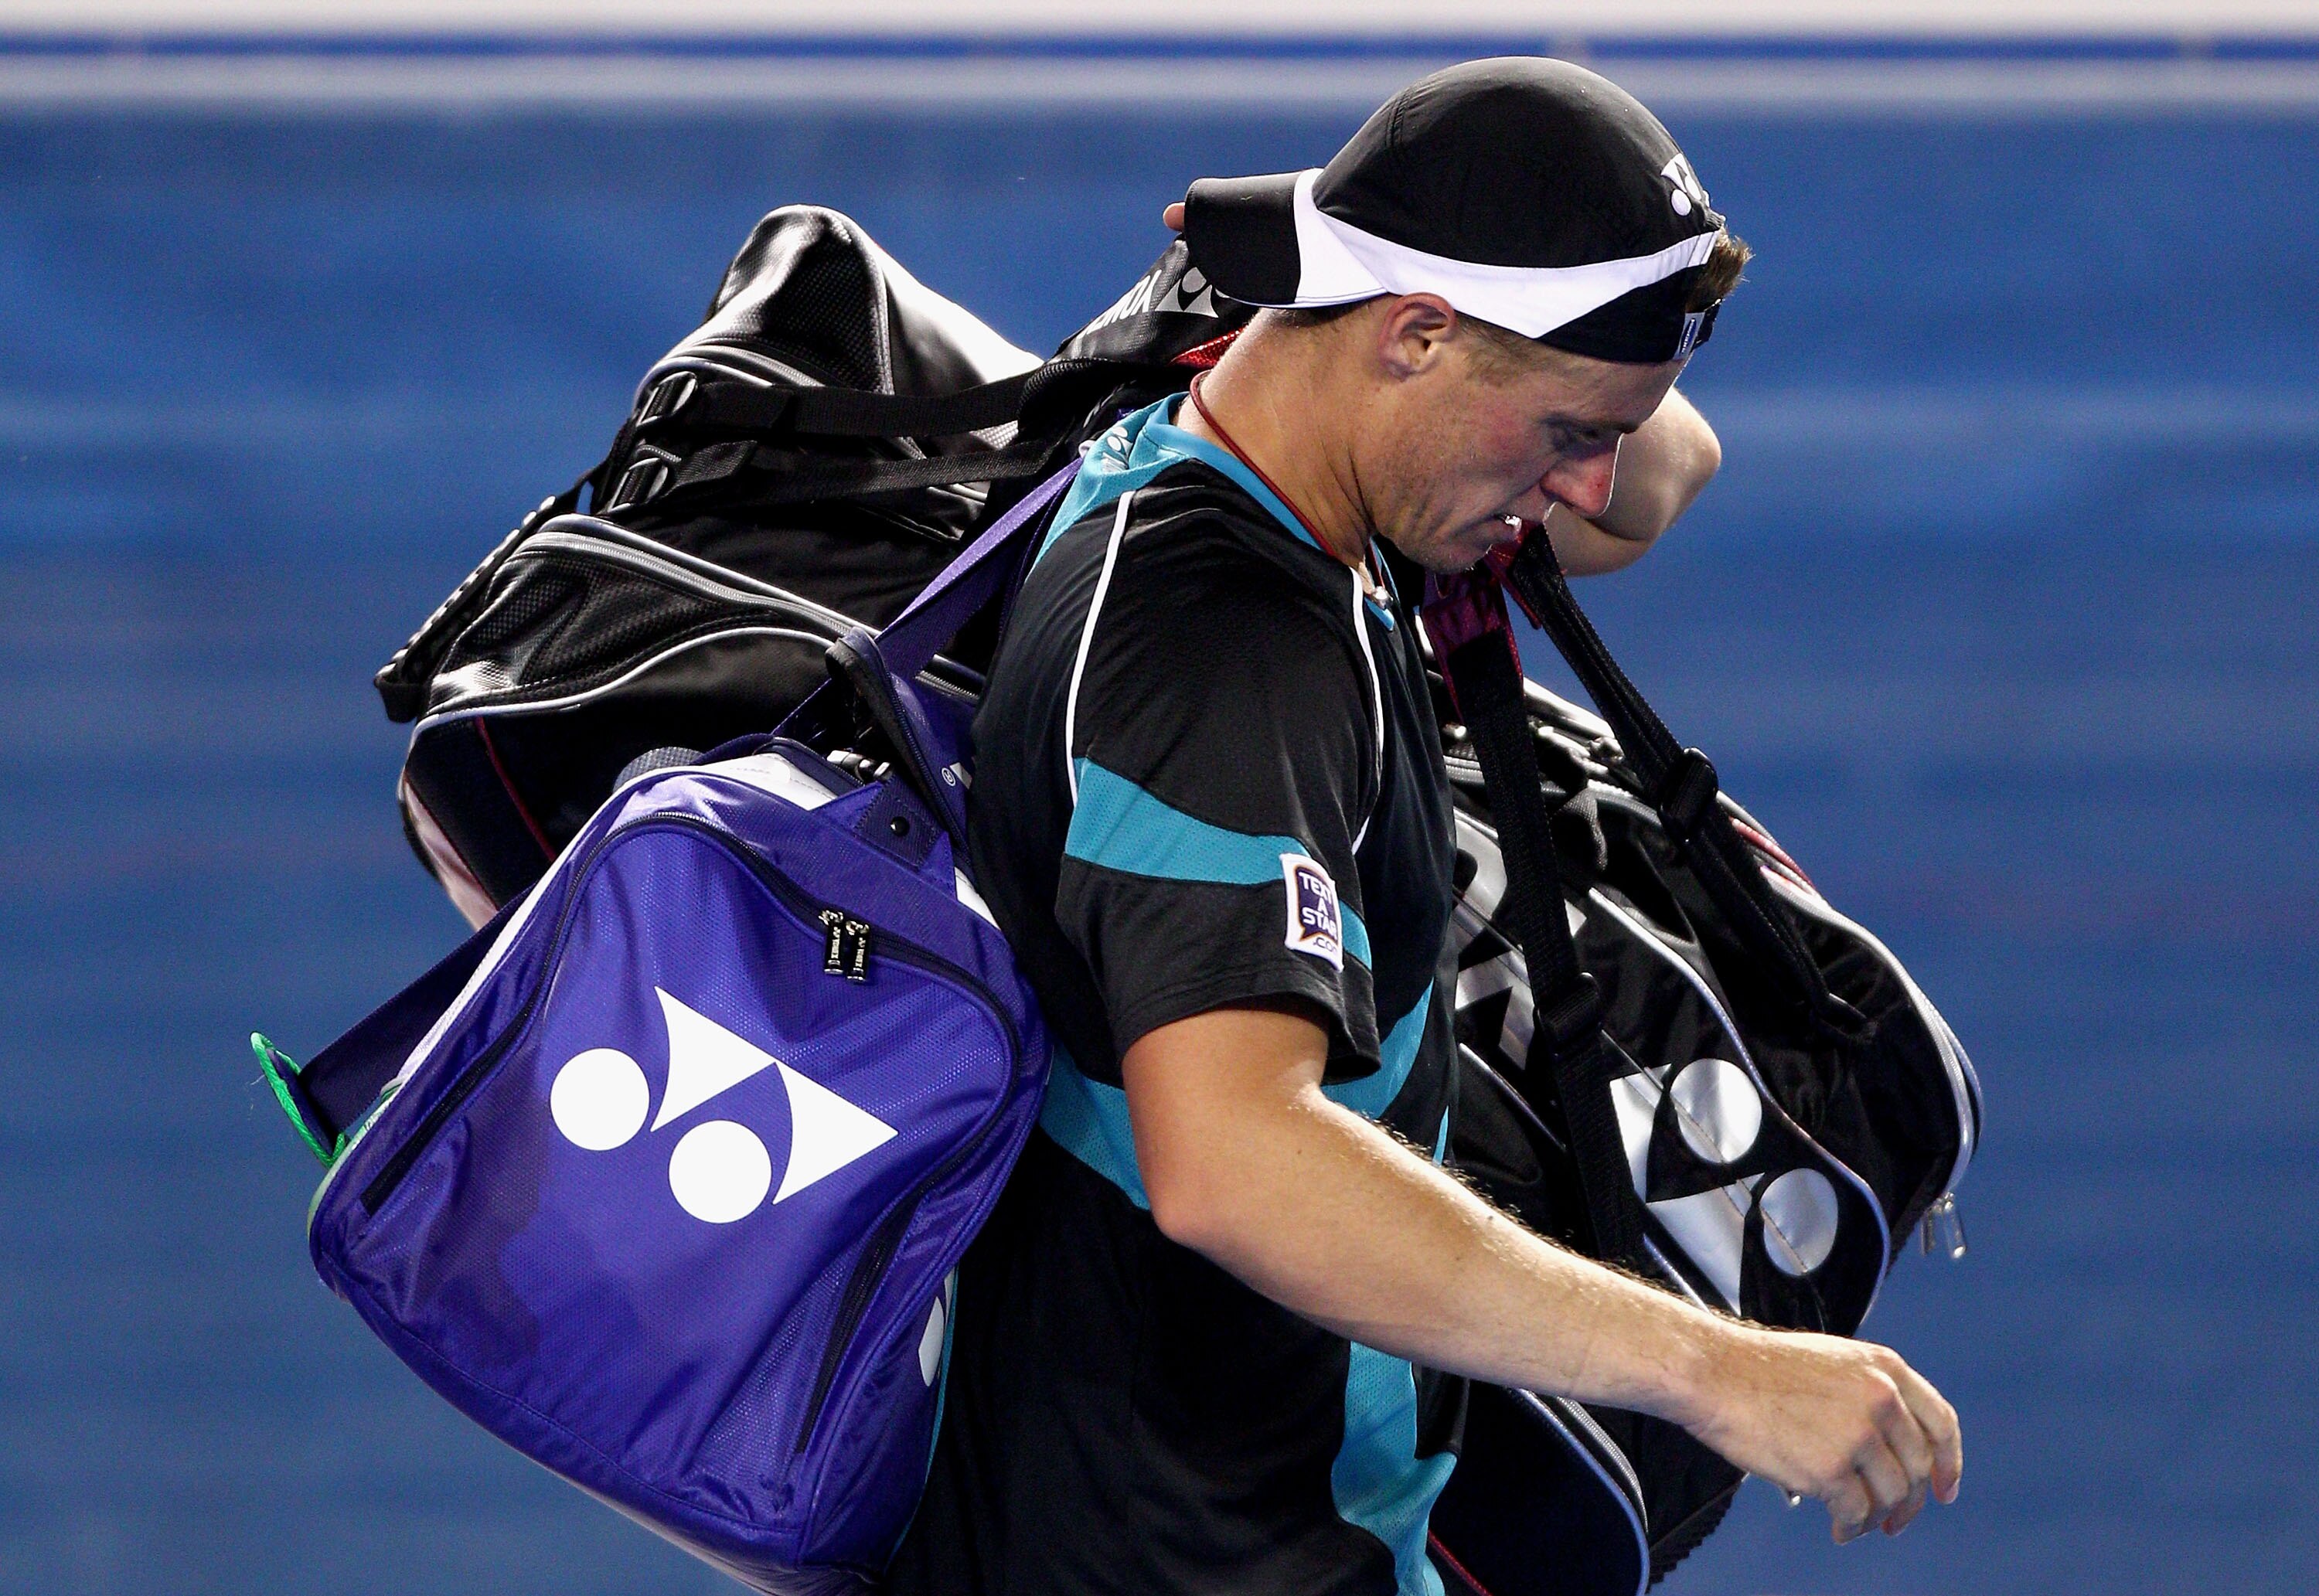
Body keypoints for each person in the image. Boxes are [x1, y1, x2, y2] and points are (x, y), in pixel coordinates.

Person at [888, 56, 1961, 1596]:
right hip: (1177, 1558)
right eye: (1558, 434)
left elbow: (1667, 472)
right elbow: (1233, 1158)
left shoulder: (1280, 410)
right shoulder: (1215, 655)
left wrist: (1394, 261)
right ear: (1410, 336)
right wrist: (1722, 1371)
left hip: (1272, 1503)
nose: (1589, 490)